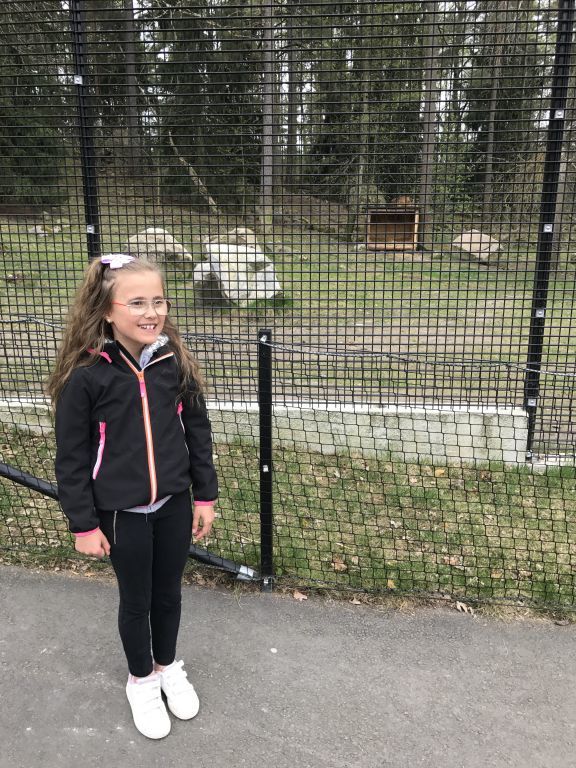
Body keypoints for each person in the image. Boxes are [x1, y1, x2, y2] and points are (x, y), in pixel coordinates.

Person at [47, 253, 218, 740]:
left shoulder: (174, 361)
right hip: (121, 513)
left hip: (174, 505)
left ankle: (166, 666)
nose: (151, 312)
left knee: (169, 594)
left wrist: (204, 497)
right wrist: (83, 524)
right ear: (107, 310)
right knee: (137, 600)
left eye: (159, 301)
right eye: (137, 302)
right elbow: (71, 459)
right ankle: (141, 679)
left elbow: (198, 433)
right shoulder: (86, 375)